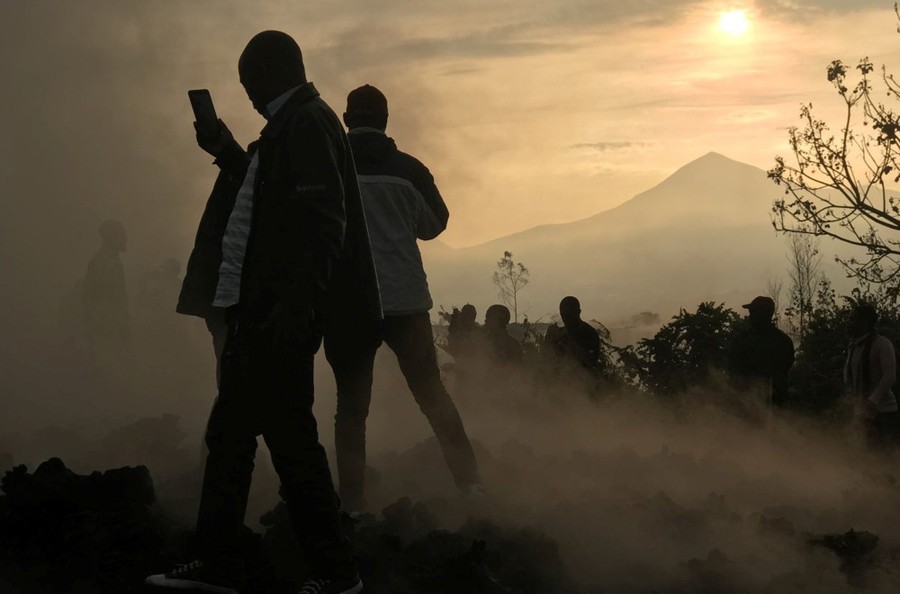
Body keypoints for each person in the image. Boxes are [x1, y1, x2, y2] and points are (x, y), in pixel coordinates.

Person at [147, 31, 380, 594]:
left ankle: (333, 572)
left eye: (248, 80)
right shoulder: (293, 126)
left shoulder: (306, 123)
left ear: (271, 72)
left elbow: (323, 223)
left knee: (286, 443)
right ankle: (223, 561)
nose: (247, 92)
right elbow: (267, 195)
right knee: (234, 436)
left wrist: (295, 309)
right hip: (263, 313)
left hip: (276, 316)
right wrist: (225, 149)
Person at [324, 84, 482, 513]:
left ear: (346, 119)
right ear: (386, 120)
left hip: (349, 305)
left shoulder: (329, 165)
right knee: (432, 395)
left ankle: (352, 503)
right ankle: (470, 485)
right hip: (405, 302)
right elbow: (433, 225)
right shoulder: (410, 170)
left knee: (351, 409)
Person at [844, 303, 899, 448]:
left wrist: (872, 402)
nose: (848, 323)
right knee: (863, 453)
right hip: (861, 411)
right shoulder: (853, 346)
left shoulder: (882, 344)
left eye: (852, 319)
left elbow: (889, 377)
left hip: (882, 412)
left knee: (882, 454)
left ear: (864, 322)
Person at [728, 296, 795, 406]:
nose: (750, 316)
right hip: (746, 400)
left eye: (753, 312)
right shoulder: (783, 340)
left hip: (770, 401)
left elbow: (782, 369)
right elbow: (733, 367)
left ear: (763, 313)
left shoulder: (781, 341)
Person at [83, 219, 130, 352]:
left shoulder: (113, 261)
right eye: (122, 235)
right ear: (111, 237)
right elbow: (92, 299)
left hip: (114, 329)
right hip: (106, 333)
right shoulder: (101, 262)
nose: (126, 238)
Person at [545, 296, 600, 370]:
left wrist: (572, 347)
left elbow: (591, 361)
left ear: (578, 312)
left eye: (569, 315)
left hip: (580, 375)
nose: (566, 319)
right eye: (563, 315)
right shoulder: (558, 333)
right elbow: (545, 357)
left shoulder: (589, 333)